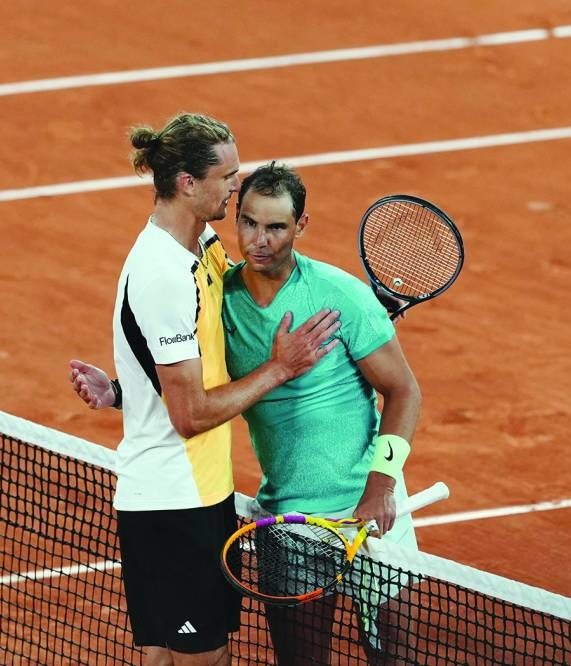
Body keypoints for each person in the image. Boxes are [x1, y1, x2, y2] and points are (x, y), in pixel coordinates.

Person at [72, 162, 422, 665]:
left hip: (374, 516)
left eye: (276, 227)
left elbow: (404, 391)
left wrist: (381, 486)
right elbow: (197, 383)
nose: (260, 240)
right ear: (235, 218)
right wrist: (120, 392)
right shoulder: (222, 299)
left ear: (301, 226)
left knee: (397, 657)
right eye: (250, 223)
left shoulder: (342, 297)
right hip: (291, 522)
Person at [81, 113, 342, 666]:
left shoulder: (201, 243)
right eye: (227, 176)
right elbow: (191, 414)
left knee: (163, 658)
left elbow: (193, 363)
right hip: (175, 503)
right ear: (187, 182)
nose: (236, 186)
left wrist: (127, 392)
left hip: (194, 493)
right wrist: (281, 368)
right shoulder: (164, 275)